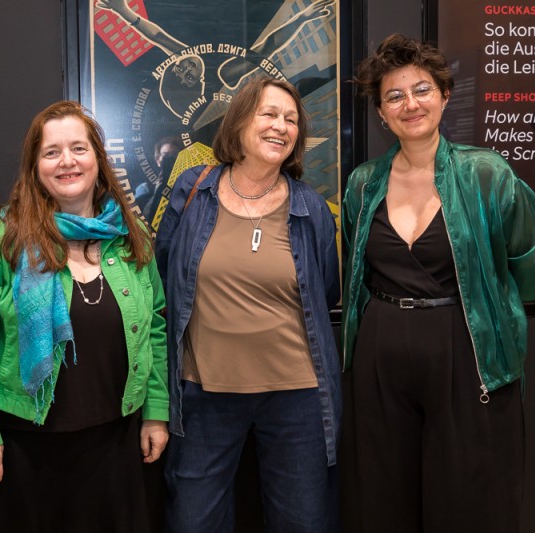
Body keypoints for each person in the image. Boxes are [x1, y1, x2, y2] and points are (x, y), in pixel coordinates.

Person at [341, 34, 535, 532]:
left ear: (444, 96)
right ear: (380, 112)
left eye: (421, 90)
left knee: (469, 496)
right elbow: (357, 264)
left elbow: (534, 267)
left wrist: (487, 300)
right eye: (394, 96)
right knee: (383, 494)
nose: (409, 104)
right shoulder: (362, 183)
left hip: (467, 350)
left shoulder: (487, 174)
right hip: (380, 357)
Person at [0, 101, 168, 532]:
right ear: (35, 167)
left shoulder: (130, 237)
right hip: (25, 449)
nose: (67, 161)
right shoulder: (0, 237)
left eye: (79, 148)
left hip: (115, 443)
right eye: (51, 152)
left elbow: (155, 326)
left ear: (98, 160)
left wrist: (156, 411)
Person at [155, 77, 341, 532]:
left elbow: (326, 292)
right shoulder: (191, 191)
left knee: (304, 522)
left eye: (291, 119)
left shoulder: (311, 208)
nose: (281, 126)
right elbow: (165, 279)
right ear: (239, 121)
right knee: (192, 520)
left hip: (296, 398)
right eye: (269, 114)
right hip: (204, 394)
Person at [96, 0, 334, 118]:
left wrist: (123, 11)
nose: (185, 66)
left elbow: (157, 35)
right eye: (188, 76)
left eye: (177, 69)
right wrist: (301, 19)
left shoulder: (188, 57)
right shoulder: (221, 74)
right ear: (199, 84)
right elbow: (267, 46)